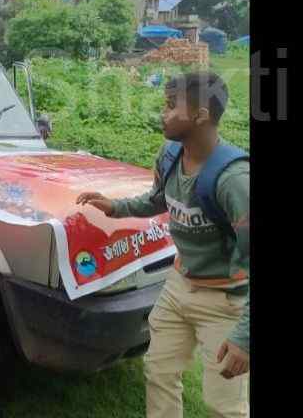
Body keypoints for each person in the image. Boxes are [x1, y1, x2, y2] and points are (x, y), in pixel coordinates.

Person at [77, 71, 249, 418]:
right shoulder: (170, 154)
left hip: (225, 301)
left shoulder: (234, 181)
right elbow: (159, 199)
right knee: (159, 374)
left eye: (172, 106)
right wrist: (117, 207)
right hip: (178, 287)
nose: (163, 113)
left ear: (201, 115)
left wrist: (245, 337)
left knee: (224, 405)